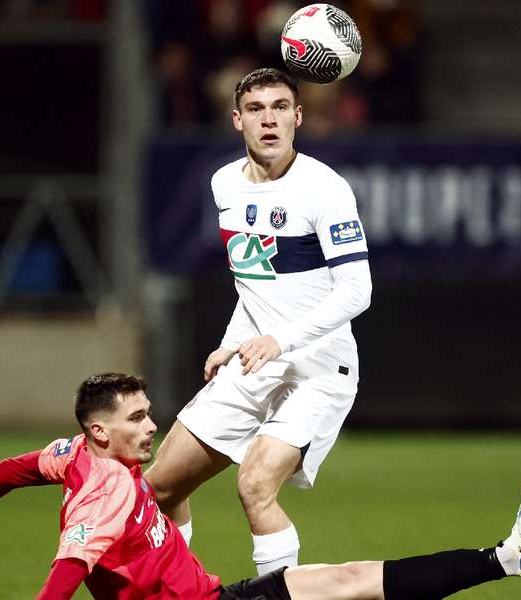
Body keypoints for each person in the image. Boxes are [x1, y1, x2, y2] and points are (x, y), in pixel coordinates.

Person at [0, 373, 521, 599]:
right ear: (100, 431)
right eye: (138, 418)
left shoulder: (74, 458)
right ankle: (508, 558)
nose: (154, 427)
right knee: (352, 585)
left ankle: (508, 557)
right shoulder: (108, 490)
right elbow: (66, 568)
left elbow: (10, 471)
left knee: (348, 581)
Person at [144, 67, 372, 575]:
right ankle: (177, 588)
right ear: (236, 120)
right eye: (255, 109)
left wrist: (280, 340)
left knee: (255, 484)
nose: (268, 120)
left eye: (279, 108)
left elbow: (358, 291)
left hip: (318, 369)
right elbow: (253, 285)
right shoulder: (223, 183)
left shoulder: (325, 189)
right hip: (255, 359)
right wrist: (232, 342)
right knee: (159, 488)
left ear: (297, 117)